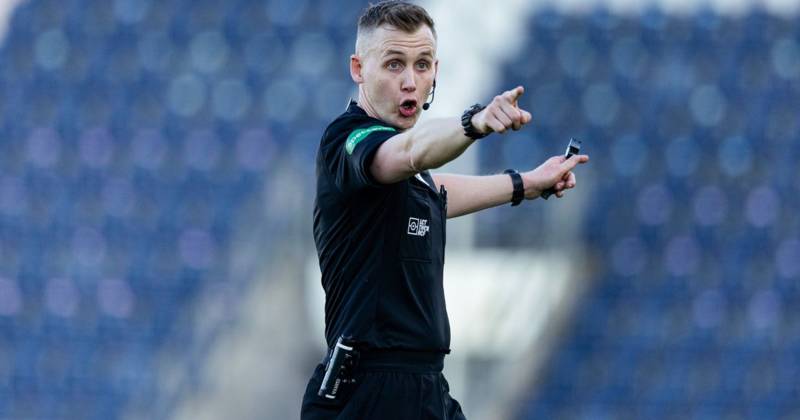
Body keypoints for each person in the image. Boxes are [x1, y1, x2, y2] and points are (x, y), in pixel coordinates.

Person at [301, 1, 590, 419]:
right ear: (358, 69)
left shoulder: (409, 172)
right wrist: (474, 123)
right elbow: (411, 153)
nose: (410, 81)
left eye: (422, 65)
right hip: (367, 392)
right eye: (394, 64)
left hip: (427, 386)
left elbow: (433, 191)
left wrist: (525, 184)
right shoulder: (347, 140)